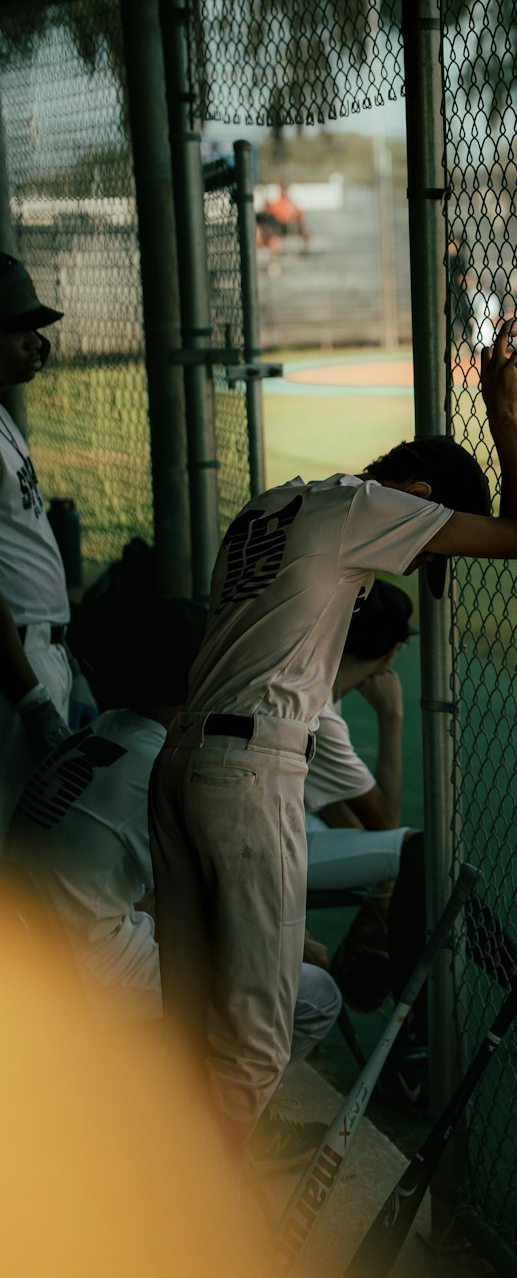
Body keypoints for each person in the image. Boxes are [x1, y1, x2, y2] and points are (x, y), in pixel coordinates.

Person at [148, 320, 517, 1164]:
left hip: (180, 761)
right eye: (431, 528)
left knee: (185, 1026)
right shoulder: (365, 506)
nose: (423, 551)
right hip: (248, 773)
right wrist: (503, 412)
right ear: (412, 490)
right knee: (254, 1045)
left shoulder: (272, 503)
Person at [6, 597, 342, 1170]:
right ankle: (206, 1142)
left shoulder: (106, 729)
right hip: (79, 975)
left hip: (33, 955)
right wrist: (292, 945)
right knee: (311, 993)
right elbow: (234, 913)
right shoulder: (169, 757)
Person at [304, 579, 432, 1108]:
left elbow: (341, 815)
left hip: (276, 835)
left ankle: (408, 1043)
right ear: (392, 650)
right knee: (421, 853)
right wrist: (392, 716)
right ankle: (414, 1046)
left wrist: (381, 890)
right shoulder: (320, 713)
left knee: (396, 860)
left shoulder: (308, 685)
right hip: (271, 848)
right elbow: (384, 824)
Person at [0, 253, 74, 845]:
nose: (34, 342)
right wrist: (29, 698)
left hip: (36, 654)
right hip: (14, 667)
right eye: (17, 328)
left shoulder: (3, 416)